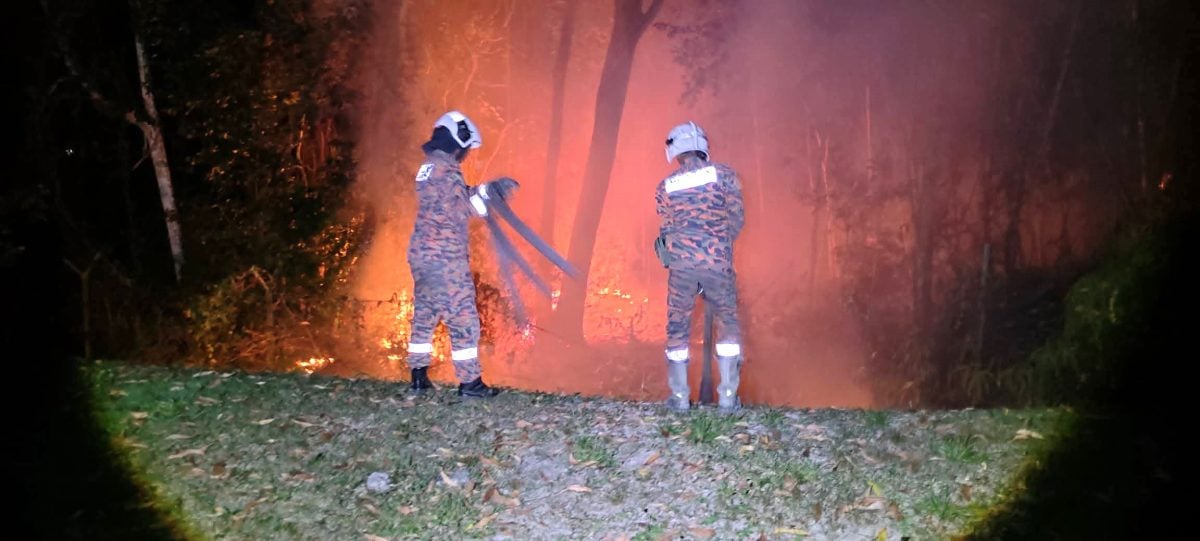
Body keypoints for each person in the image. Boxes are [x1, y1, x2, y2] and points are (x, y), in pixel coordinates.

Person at [405, 110, 499, 398]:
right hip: (445, 256)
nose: (465, 155)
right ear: (458, 141)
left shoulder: (429, 168)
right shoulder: (447, 171)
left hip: (423, 253)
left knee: (426, 312)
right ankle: (470, 383)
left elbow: (447, 202)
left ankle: (418, 376)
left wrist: (478, 192)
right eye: (466, 149)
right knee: (463, 318)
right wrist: (488, 196)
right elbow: (458, 211)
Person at [653, 121, 746, 412]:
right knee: (728, 327)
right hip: (718, 264)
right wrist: (718, 246)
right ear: (702, 145)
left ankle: (680, 399)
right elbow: (736, 219)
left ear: (676, 150)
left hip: (682, 268)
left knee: (677, 330)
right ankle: (728, 399)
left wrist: (683, 251)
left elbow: (666, 230)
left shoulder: (665, 186)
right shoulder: (725, 175)